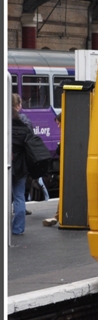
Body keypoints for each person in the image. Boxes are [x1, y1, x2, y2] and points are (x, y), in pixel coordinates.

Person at [10, 93, 32, 235]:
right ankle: (17, 229)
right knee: (19, 197)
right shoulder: (25, 121)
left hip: (7, 162)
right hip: (21, 165)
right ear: (18, 105)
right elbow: (31, 141)